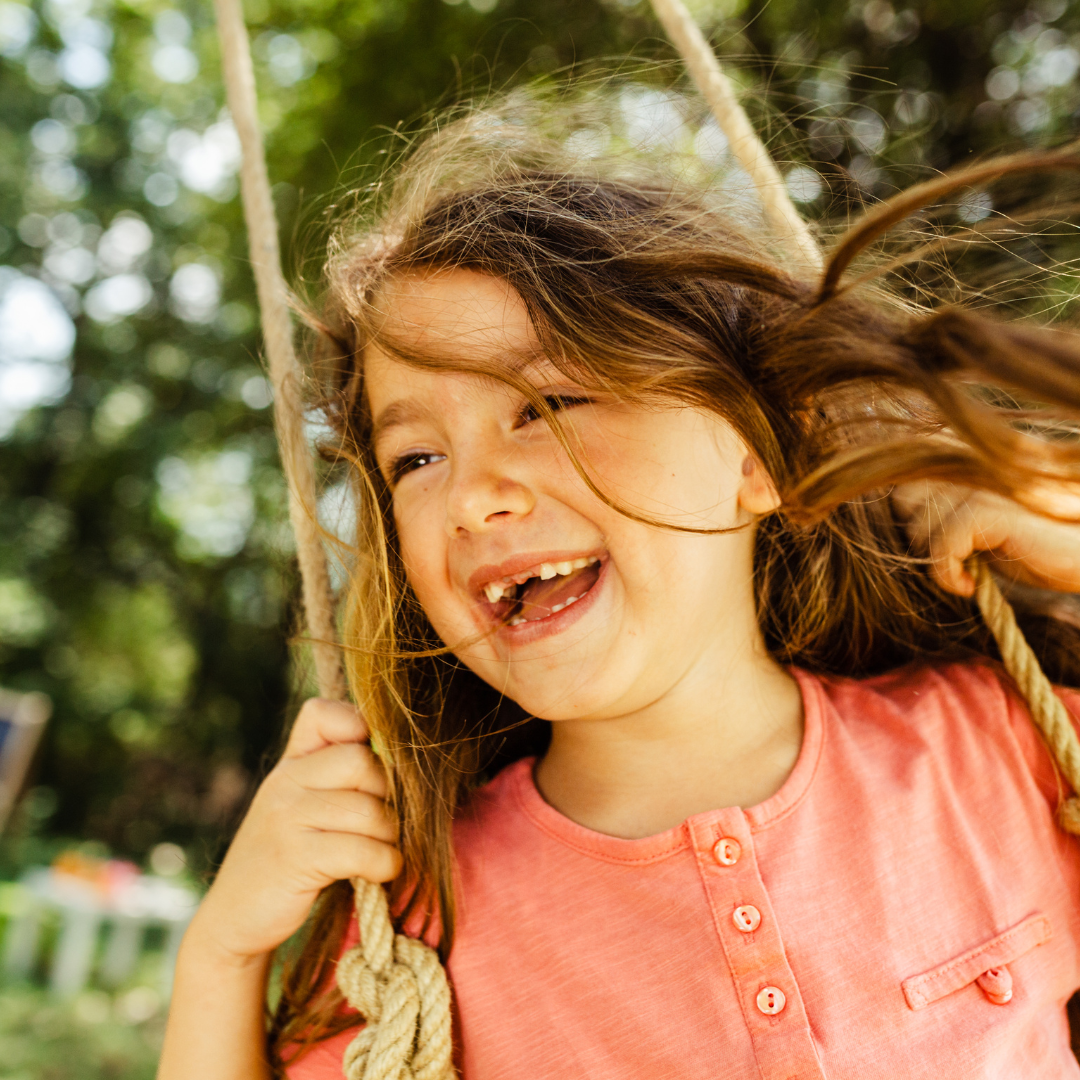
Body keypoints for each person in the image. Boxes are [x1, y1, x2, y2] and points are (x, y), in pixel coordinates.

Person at [158, 92, 1080, 1079]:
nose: (473, 498)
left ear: (757, 455)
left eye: (549, 403)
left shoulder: (989, 745)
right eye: (417, 460)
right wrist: (222, 956)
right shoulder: (424, 911)